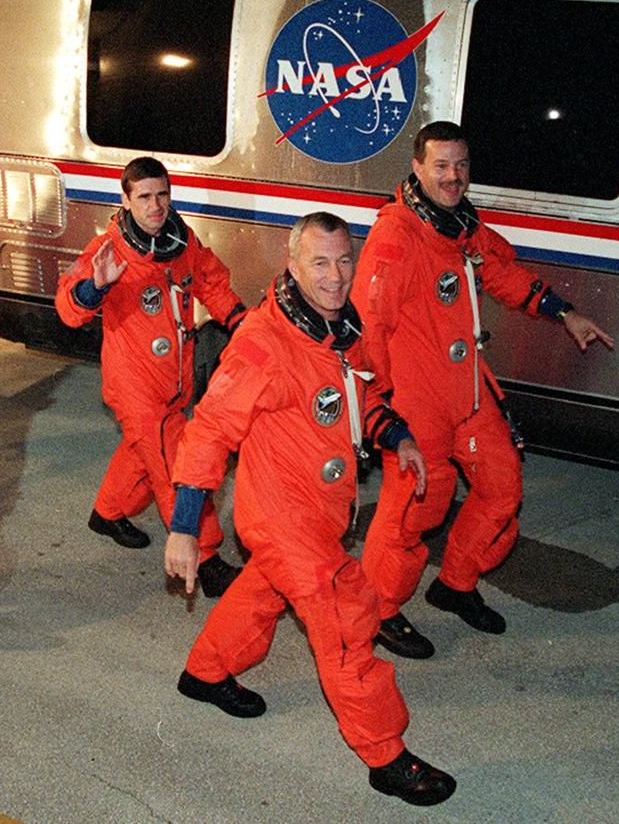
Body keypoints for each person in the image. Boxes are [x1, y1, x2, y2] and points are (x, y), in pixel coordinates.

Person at [164, 213, 454, 806]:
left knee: (261, 593)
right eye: (320, 263)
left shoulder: (339, 330)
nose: (336, 275)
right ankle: (386, 755)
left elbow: (357, 396)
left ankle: (205, 672)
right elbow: (209, 432)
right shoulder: (264, 345)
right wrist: (184, 528)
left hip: (322, 512)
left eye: (345, 260)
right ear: (292, 265)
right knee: (346, 617)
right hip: (281, 517)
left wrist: (396, 435)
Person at [351, 121, 616, 659]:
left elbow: (499, 272)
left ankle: (454, 584)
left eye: (461, 165)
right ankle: (377, 611)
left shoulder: (458, 225)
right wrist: (374, 411)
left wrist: (564, 313)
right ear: (418, 168)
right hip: (418, 402)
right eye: (441, 166)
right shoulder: (396, 239)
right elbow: (367, 330)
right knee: (414, 513)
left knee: (502, 489)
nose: (453, 177)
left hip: (468, 391)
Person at [54, 156, 246, 598]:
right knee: (177, 464)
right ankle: (208, 556)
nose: (155, 205)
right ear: (125, 199)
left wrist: (240, 321)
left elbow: (210, 281)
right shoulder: (109, 251)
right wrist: (95, 287)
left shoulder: (182, 240)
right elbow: (68, 309)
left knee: (144, 452)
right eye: (144, 197)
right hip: (136, 385)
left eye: (162, 194)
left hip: (175, 379)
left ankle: (107, 512)